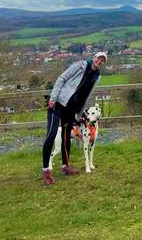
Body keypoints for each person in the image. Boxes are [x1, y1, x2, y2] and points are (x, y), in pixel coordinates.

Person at [41, 51, 107, 185]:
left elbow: (87, 95)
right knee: (51, 134)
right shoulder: (81, 65)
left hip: (71, 109)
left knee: (66, 137)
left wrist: (80, 112)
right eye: (98, 59)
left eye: (102, 61)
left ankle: (66, 166)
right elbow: (61, 78)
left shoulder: (96, 76)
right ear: (94, 58)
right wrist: (53, 98)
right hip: (58, 103)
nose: (99, 62)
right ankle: (46, 170)